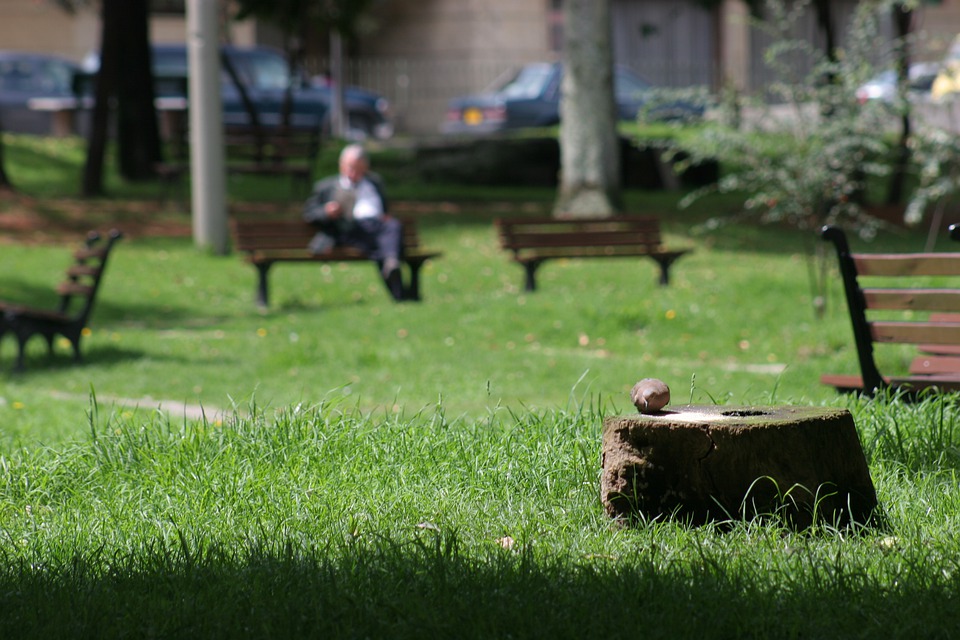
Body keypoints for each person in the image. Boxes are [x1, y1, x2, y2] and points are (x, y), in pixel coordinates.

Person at [302, 144, 405, 301]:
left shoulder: (374, 182)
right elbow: (308, 213)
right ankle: (394, 272)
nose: (353, 173)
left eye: (358, 169)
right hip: (350, 229)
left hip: (377, 227)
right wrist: (326, 212)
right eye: (350, 167)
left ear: (366, 168)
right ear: (341, 165)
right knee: (382, 244)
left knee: (392, 227)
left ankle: (392, 266)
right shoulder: (327, 187)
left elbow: (385, 209)